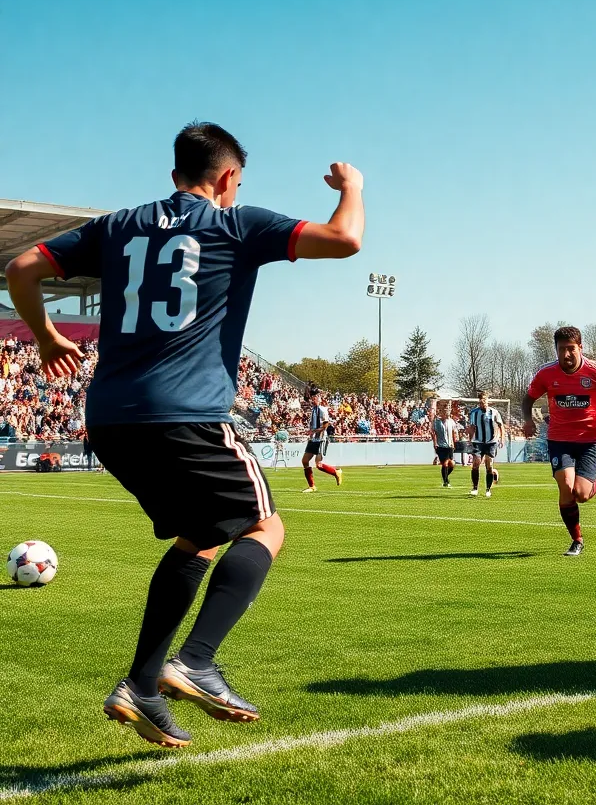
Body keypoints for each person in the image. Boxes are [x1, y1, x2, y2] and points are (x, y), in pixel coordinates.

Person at [3, 121, 364, 747]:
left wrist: (44, 335)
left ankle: (141, 686)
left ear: (174, 176)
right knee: (265, 526)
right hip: (187, 415)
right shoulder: (236, 222)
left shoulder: (118, 225)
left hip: (112, 421)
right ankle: (195, 662)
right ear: (227, 178)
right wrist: (352, 187)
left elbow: (23, 267)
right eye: (238, 182)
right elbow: (344, 239)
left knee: (197, 539)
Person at [522, 326, 596, 556]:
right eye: (561, 349)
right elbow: (528, 398)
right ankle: (577, 540)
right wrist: (527, 420)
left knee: (581, 494)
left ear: (580, 348)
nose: (566, 355)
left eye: (571, 349)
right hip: (559, 439)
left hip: (590, 440)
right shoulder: (546, 374)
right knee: (565, 486)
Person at [302, 387, 342, 492]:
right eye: (312, 397)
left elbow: (325, 427)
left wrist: (313, 432)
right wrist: (310, 432)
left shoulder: (323, 410)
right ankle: (312, 486)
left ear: (319, 398)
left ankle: (336, 472)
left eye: (315, 397)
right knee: (305, 461)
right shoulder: (313, 410)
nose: (313, 399)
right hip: (313, 440)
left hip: (320, 440)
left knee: (318, 464)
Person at [466, 391, 503, 497]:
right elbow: (472, 427)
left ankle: (488, 489)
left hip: (491, 442)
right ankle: (475, 488)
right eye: (481, 401)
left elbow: (501, 426)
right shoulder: (474, 413)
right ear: (479, 402)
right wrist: (470, 440)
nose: (483, 403)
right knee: (476, 463)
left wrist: (502, 438)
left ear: (488, 401)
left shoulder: (494, 412)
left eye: (485, 401)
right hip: (478, 442)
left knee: (489, 465)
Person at [432, 402, 459, 488]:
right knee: (445, 463)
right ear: (442, 411)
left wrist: (454, 443)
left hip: (449, 446)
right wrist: (435, 443)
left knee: (452, 464)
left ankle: (446, 477)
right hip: (440, 446)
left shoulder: (451, 421)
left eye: (448, 409)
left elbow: (454, 432)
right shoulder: (437, 422)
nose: (447, 412)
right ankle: (446, 481)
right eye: (445, 410)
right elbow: (433, 433)